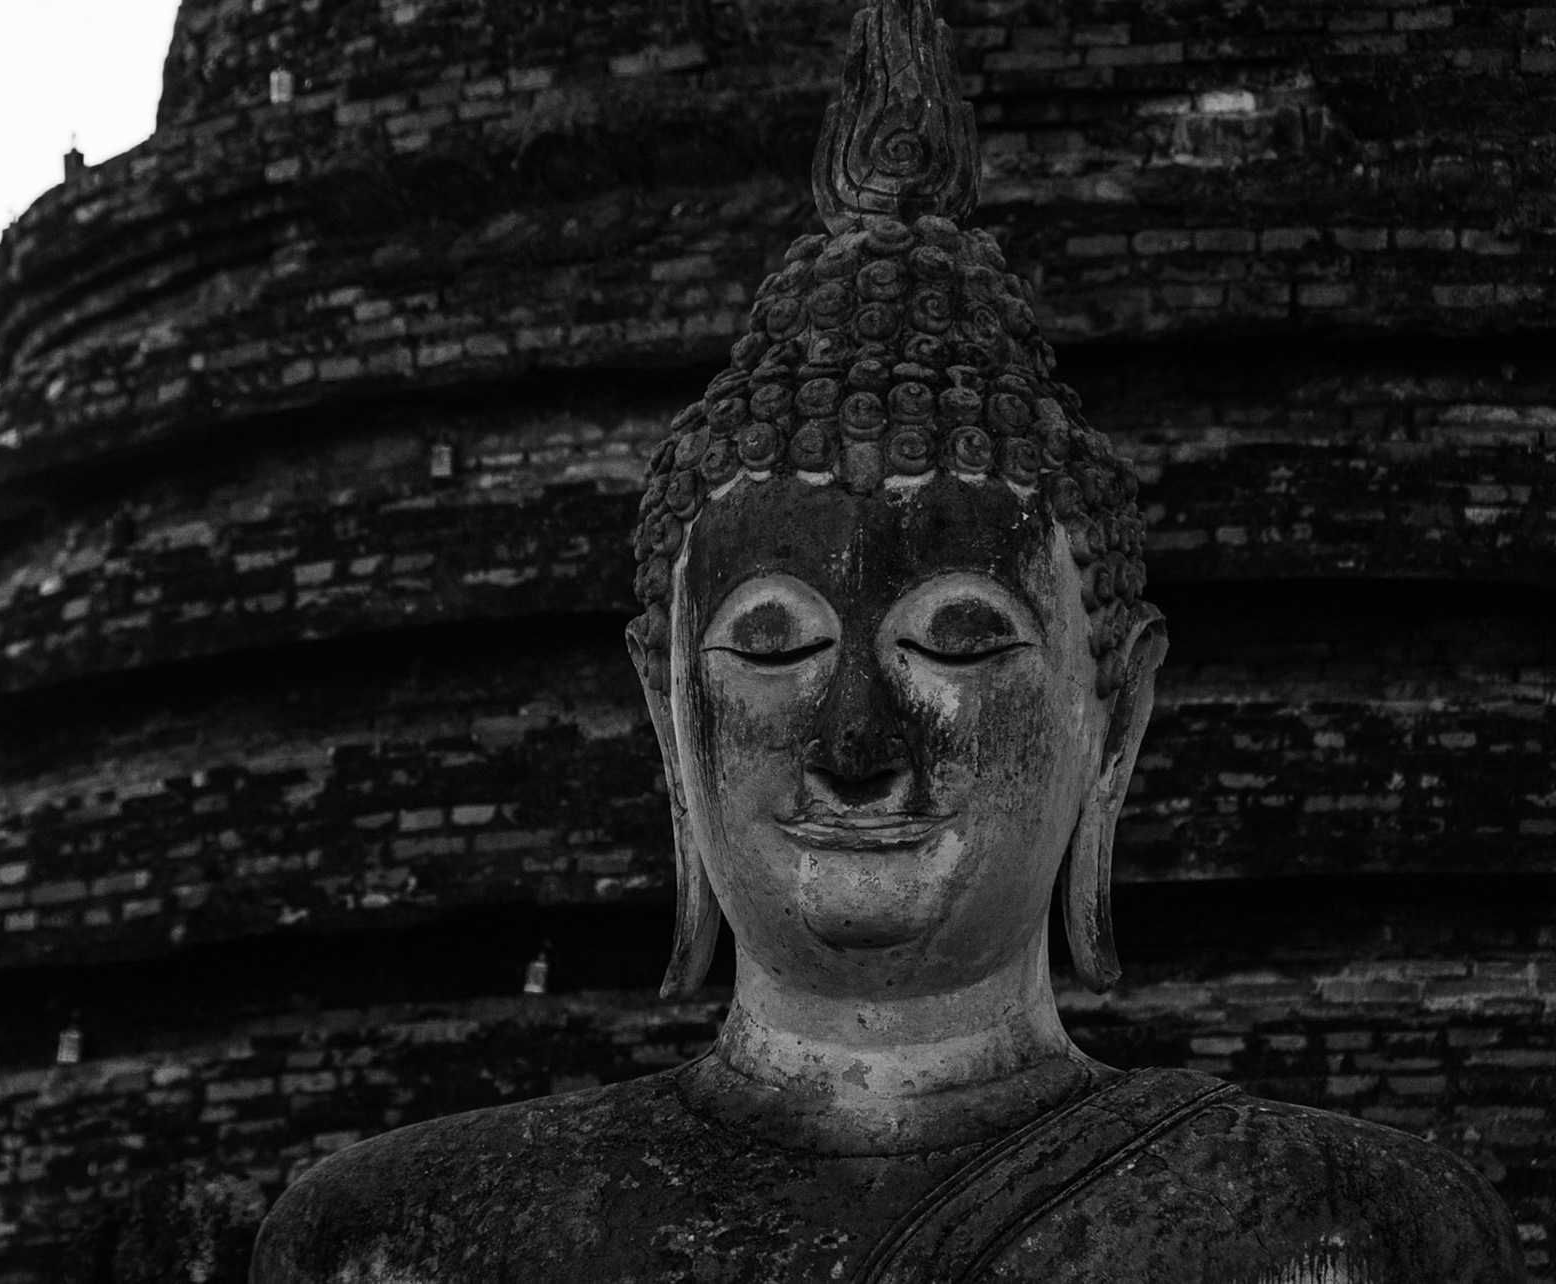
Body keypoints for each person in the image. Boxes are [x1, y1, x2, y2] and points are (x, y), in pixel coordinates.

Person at [251, 2, 1527, 1278]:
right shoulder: (411, 1242)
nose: (857, 744)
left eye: (961, 645)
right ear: (663, 711)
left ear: (1118, 720)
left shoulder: (1342, 1228)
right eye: (770, 647)